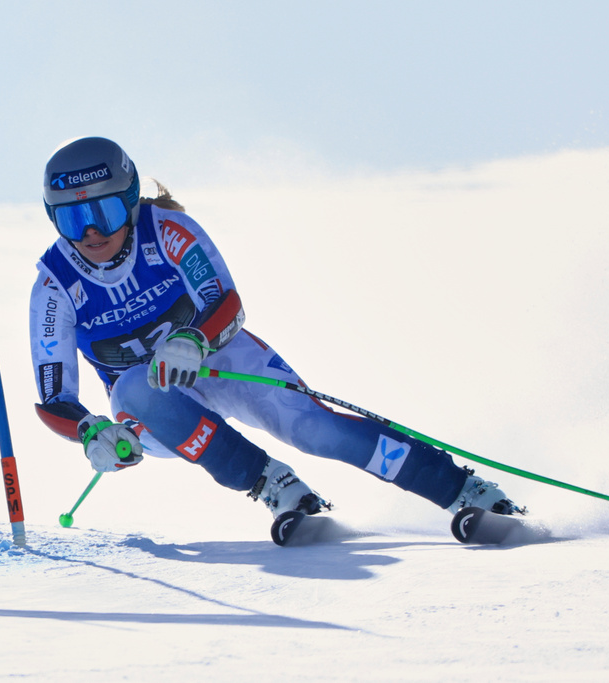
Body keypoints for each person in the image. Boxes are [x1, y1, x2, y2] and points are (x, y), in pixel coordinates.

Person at [29, 136, 524, 545]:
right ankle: (275, 486)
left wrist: (195, 340)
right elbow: (55, 398)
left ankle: (464, 490)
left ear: (132, 201)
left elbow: (227, 304)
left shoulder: (169, 231)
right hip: (157, 411)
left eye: (106, 213)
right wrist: (90, 432)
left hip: (219, 358)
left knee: (315, 430)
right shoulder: (55, 287)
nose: (91, 233)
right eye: (73, 219)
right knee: (134, 386)